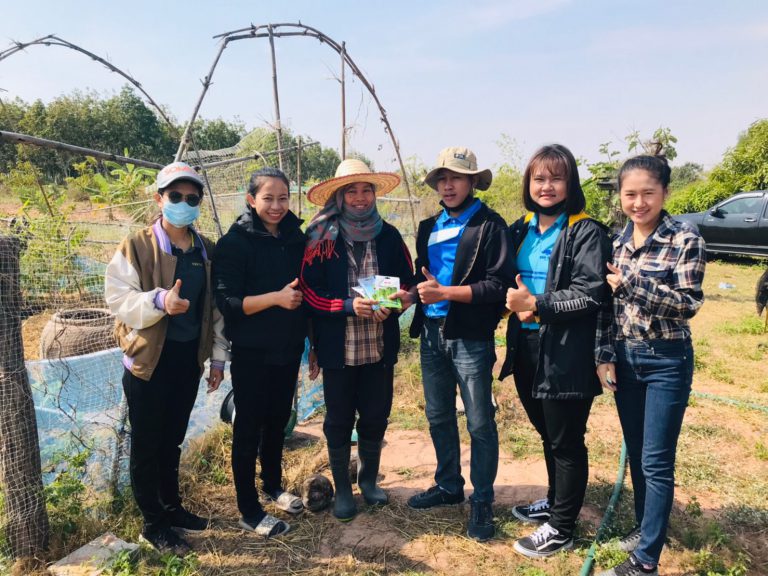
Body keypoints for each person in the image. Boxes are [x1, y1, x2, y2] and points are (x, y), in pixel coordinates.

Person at [105, 162, 229, 555]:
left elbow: (215, 311)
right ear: (159, 199)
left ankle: (172, 509)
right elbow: (118, 299)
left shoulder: (206, 249)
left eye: (192, 198)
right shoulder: (137, 246)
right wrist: (159, 301)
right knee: (147, 444)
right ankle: (153, 524)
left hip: (187, 360)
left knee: (172, 439)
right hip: (147, 362)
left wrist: (217, 360)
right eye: (175, 196)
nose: (183, 204)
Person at [595, 154, 706, 576]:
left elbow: (687, 304)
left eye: (648, 193)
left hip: (666, 360)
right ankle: (646, 529)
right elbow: (606, 309)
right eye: (630, 194)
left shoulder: (685, 238)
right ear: (620, 196)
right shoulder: (616, 242)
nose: (638, 203)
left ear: (665, 193)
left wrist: (631, 284)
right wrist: (604, 355)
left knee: (657, 460)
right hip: (626, 358)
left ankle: (645, 562)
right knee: (639, 454)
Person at [500, 144, 611, 558]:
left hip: (566, 349)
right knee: (547, 431)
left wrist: (537, 304)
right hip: (526, 346)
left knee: (566, 440)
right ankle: (554, 501)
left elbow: (590, 293)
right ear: (528, 184)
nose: (546, 186)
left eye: (556, 178)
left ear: (571, 183)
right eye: (539, 178)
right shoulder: (520, 229)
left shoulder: (586, 231)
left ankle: (562, 527)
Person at [404, 147, 510, 542]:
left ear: (472, 182)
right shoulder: (429, 226)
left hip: (469, 336)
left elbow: (498, 287)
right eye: (442, 179)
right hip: (432, 334)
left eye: (457, 178)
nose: (448, 186)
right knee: (438, 415)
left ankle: (482, 498)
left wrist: (446, 293)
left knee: (479, 420)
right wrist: (409, 296)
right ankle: (449, 484)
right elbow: (424, 279)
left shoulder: (489, 225)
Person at [299, 158, 415, 522]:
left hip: (378, 344)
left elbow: (407, 283)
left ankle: (367, 481)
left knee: (376, 414)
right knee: (338, 418)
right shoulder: (320, 237)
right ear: (339, 195)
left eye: (367, 190)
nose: (361, 198)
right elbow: (309, 291)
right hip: (339, 346)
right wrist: (348, 305)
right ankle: (343, 489)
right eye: (352, 191)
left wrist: (395, 304)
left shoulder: (389, 235)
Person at [213, 167, 315, 538]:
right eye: (268, 198)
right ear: (250, 199)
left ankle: (273, 485)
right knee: (248, 427)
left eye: (283, 198)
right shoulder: (235, 243)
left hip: (288, 349)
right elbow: (227, 302)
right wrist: (275, 298)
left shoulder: (295, 238)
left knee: (277, 421)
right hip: (252, 353)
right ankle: (249, 510)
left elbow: (307, 294)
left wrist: (312, 344)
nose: (276, 206)